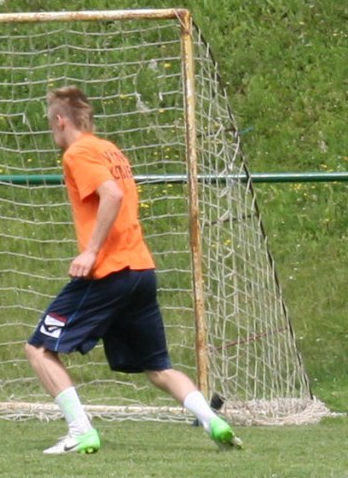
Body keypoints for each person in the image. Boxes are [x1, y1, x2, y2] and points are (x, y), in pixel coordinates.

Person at [24, 86, 238, 455]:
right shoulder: (110, 149)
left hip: (110, 273)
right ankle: (212, 421)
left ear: (60, 121)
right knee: (158, 369)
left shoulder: (78, 153)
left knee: (39, 349)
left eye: (50, 123)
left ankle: (80, 431)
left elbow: (112, 194)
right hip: (141, 270)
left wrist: (91, 252)